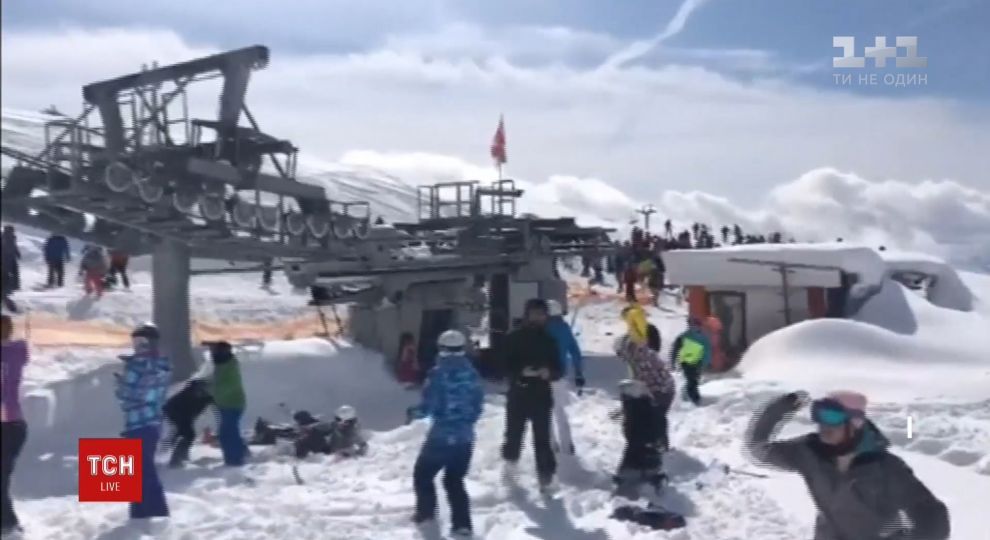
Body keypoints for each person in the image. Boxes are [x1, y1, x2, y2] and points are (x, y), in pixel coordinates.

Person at [745, 390, 950, 540]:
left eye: (832, 417)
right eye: (819, 415)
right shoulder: (809, 453)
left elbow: (932, 515)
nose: (824, 425)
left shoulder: (885, 467)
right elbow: (757, 449)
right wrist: (780, 409)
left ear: (855, 423)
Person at [410, 330, 483, 537]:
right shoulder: (472, 374)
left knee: (423, 474)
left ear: (441, 348)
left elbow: (428, 406)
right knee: (454, 479)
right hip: (465, 437)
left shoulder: (437, 374)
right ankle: (462, 524)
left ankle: (426, 514)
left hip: (441, 436)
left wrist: (414, 413)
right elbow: (478, 406)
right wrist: (466, 423)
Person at [501, 298, 563, 492]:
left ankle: (546, 478)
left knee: (542, 439)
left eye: (542, 314)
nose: (538, 318)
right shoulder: (514, 337)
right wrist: (520, 371)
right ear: (527, 315)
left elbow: (559, 368)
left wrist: (549, 373)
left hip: (541, 395)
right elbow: (501, 365)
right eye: (534, 314)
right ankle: (510, 470)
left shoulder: (549, 340)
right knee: (514, 435)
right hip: (518, 393)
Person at [114, 323, 171, 519]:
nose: (137, 346)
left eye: (140, 341)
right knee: (141, 470)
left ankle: (154, 512)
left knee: (143, 471)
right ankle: (141, 514)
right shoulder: (162, 365)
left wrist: (121, 383)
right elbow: (152, 391)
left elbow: (128, 396)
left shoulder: (136, 366)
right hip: (153, 423)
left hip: (137, 423)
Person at [616, 305, 675, 451]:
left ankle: (660, 444)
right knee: (653, 415)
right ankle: (656, 442)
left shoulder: (640, 353)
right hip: (662, 386)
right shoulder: (637, 357)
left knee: (657, 415)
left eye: (621, 353)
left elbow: (648, 377)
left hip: (662, 387)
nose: (622, 357)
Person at [544, 299, 584, 456]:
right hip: (560, 376)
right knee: (560, 411)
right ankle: (567, 445)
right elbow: (575, 352)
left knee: (545, 412)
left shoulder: (542, 329)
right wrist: (579, 373)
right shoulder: (565, 328)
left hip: (542, 377)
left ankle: (551, 444)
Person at [1, 314, 28, 535]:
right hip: (15, 425)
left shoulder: (12, 353)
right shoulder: (18, 351)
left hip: (8, 425)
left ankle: (9, 525)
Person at [209, 341, 247, 466]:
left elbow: (228, 386)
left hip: (233, 404)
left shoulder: (228, 366)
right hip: (226, 404)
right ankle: (235, 456)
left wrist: (213, 392)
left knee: (229, 433)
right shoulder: (222, 364)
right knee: (226, 433)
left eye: (215, 351)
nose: (212, 353)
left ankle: (235, 459)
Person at [163, 377, 213, 467]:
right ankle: (176, 459)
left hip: (183, 414)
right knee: (188, 434)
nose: (203, 390)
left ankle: (180, 455)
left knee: (183, 433)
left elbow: (209, 402)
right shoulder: (187, 395)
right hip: (176, 413)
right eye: (201, 388)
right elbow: (173, 407)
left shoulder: (203, 396)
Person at [669, 317, 712, 406]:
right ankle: (695, 399)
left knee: (693, 380)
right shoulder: (684, 336)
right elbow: (675, 349)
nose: (694, 327)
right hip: (686, 362)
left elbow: (707, 352)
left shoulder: (703, 339)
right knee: (692, 380)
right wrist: (673, 362)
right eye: (691, 325)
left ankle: (688, 396)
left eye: (696, 325)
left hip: (697, 363)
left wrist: (704, 363)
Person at [0, 227, 20, 294]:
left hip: (12, 258)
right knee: (6, 274)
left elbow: (14, 246)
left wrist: (17, 253)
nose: (12, 232)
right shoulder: (3, 237)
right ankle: (5, 290)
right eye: (11, 231)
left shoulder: (13, 237)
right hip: (5, 258)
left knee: (14, 272)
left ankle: (13, 287)